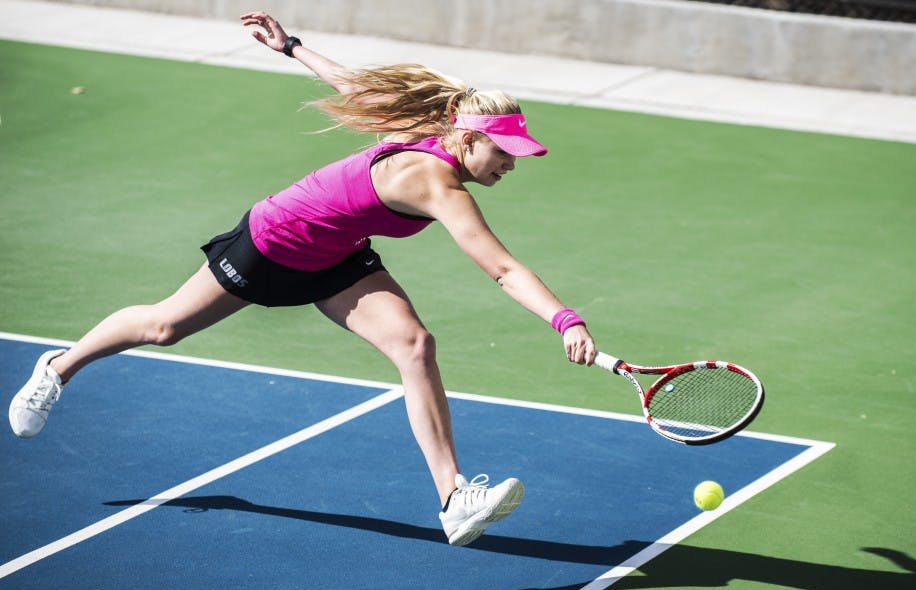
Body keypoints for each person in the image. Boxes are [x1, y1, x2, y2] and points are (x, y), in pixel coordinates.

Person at [8, 11, 597, 547]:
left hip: (337, 257)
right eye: (504, 152)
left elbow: (357, 88)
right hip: (274, 242)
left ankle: (453, 499)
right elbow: (501, 268)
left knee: (415, 345)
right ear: (467, 139)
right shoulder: (435, 183)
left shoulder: (431, 126)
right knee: (164, 326)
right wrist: (564, 319)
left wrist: (291, 46)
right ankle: (57, 369)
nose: (510, 164)